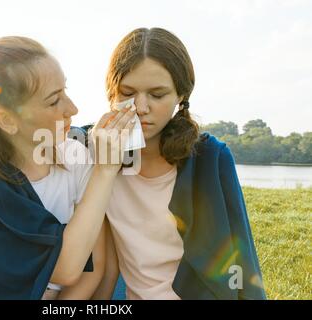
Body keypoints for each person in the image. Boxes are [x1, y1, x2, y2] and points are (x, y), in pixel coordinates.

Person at [0, 30, 136, 299]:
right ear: (7, 120)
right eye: (54, 100)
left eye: (65, 91)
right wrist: (105, 169)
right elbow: (65, 268)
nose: (73, 108)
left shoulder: (75, 155)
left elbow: (94, 268)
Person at [89, 27, 266, 300]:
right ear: (111, 92)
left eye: (157, 95)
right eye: (127, 92)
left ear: (181, 96)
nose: (140, 107)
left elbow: (242, 260)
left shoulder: (210, 157)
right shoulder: (91, 149)